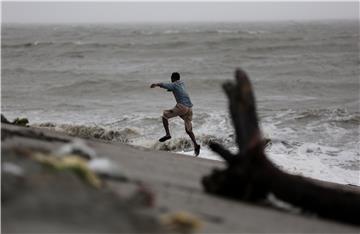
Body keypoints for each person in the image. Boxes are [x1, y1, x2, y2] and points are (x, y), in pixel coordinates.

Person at [150, 72, 201, 156]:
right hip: (189, 108)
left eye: (171, 79)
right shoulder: (182, 83)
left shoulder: (173, 84)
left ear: (173, 78)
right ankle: (196, 145)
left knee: (165, 115)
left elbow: (165, 85)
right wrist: (171, 89)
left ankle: (167, 134)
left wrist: (156, 84)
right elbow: (178, 89)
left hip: (182, 106)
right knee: (189, 130)